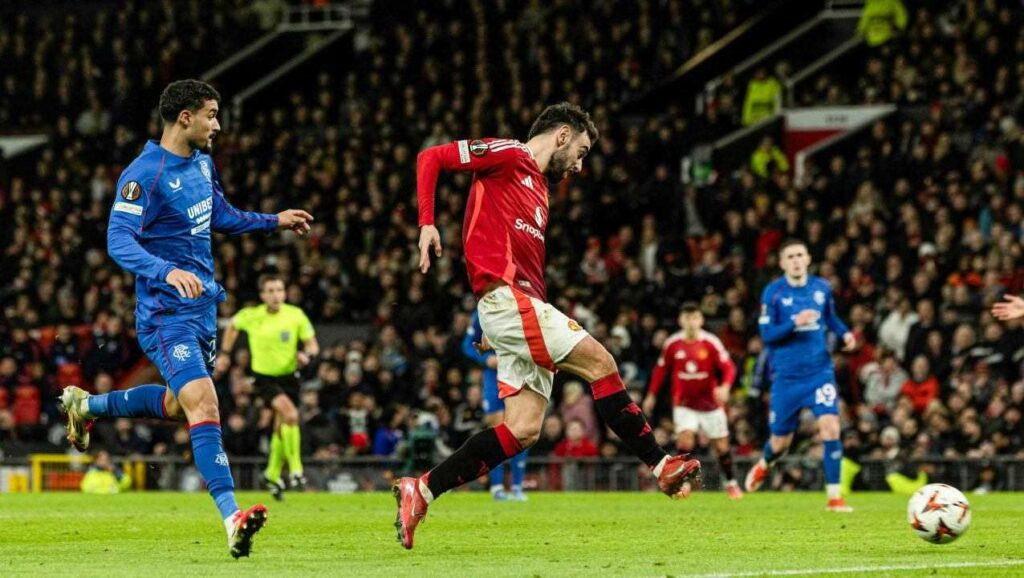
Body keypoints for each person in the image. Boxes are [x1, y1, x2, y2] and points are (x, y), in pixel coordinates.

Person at [393, 102, 701, 550]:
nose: (578, 164)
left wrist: (494, 321)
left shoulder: (539, 190)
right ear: (562, 135)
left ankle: (419, 490)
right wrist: (427, 224)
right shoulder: (510, 154)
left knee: (523, 430)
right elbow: (431, 158)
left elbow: (509, 254)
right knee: (602, 362)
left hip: (513, 306)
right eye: (580, 150)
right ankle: (660, 464)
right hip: (506, 301)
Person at [58, 79, 314, 558]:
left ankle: (87, 407)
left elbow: (220, 214)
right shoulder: (144, 174)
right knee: (205, 404)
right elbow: (119, 240)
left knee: (178, 406)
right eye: (212, 115)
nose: (217, 125)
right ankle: (232, 517)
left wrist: (272, 220)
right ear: (185, 118)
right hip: (164, 314)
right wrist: (166, 269)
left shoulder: (202, 163)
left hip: (202, 311)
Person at [746, 239, 857, 512]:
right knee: (781, 442)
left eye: (799, 255)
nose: (795, 260)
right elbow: (767, 335)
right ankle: (765, 463)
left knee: (831, 427)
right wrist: (794, 322)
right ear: (783, 263)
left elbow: (831, 318)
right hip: (786, 378)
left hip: (820, 372)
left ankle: (834, 498)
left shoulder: (821, 288)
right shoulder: (773, 293)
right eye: (790, 257)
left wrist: (845, 333)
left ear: (807, 259)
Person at [215, 273, 320, 501]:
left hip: (290, 378)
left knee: (280, 425)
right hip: (264, 379)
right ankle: (296, 470)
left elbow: (313, 345)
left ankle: (272, 473)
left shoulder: (295, 315)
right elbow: (232, 326)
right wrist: (224, 353)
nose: (275, 295)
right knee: (291, 415)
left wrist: (306, 355)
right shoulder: (252, 315)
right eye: (270, 291)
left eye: (279, 290)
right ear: (262, 295)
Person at [643, 302, 742, 500]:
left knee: (721, 446)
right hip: (684, 404)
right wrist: (651, 394)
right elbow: (660, 370)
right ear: (681, 320)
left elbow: (729, 367)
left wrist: (725, 387)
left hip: (710, 405)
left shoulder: (710, 342)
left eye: (695, 317)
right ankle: (685, 484)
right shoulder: (673, 343)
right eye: (687, 318)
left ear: (701, 320)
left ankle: (731, 483)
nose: (691, 322)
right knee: (685, 440)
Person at [461, 311, 529, 501]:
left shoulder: (521, 309)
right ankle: (497, 487)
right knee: (498, 429)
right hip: (494, 378)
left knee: (521, 429)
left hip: (518, 374)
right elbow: (467, 345)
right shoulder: (481, 313)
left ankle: (517, 487)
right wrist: (485, 359)